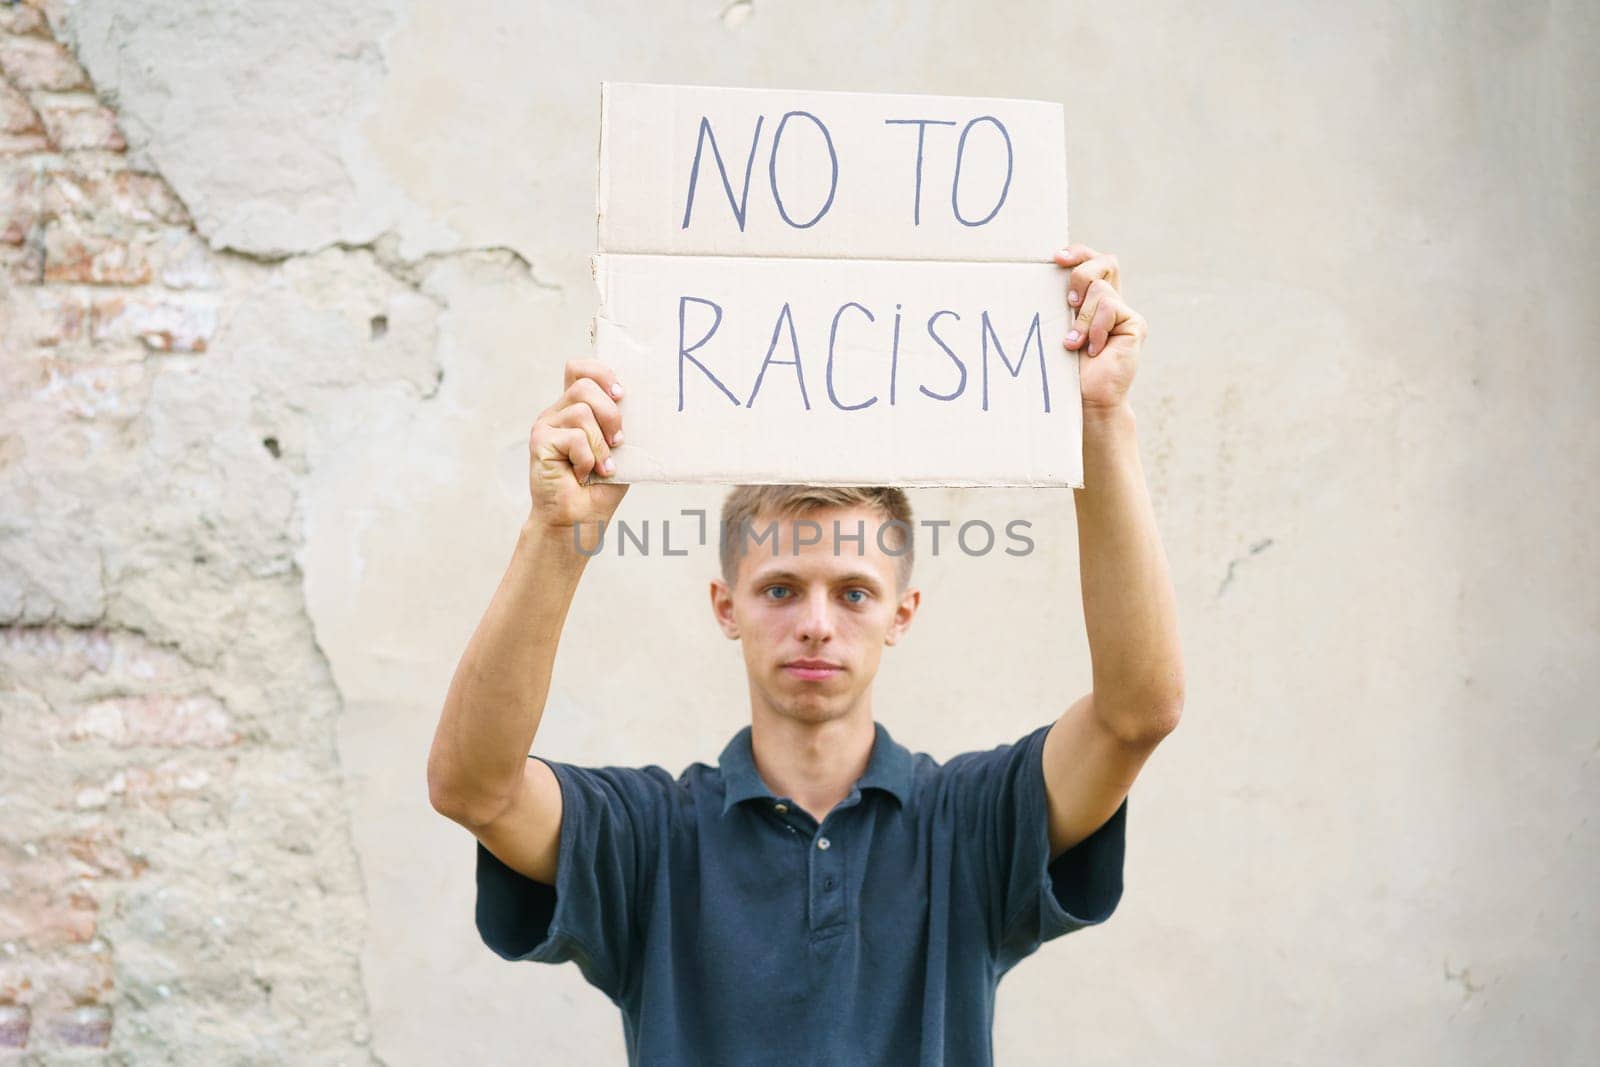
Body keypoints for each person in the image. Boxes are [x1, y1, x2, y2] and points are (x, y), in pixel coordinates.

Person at [426, 244, 1185, 1065]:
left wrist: (1103, 422)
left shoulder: (968, 824)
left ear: (903, 613)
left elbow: (1136, 715)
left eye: (854, 591)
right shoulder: (651, 839)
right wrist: (556, 533)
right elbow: (476, 787)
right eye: (781, 587)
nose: (818, 622)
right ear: (727, 607)